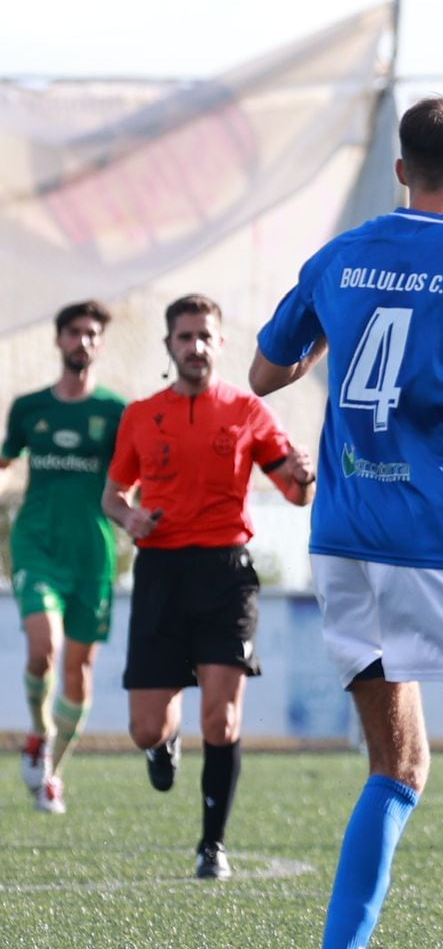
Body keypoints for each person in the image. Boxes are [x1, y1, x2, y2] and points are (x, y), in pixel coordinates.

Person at [251, 95, 443, 949]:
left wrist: (323, 340)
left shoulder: (340, 256)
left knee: (396, 766)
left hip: (343, 537)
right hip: (435, 540)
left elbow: (266, 371)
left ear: (399, 169)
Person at [100, 293, 314, 877]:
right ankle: (161, 746)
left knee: (220, 719)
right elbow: (113, 497)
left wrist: (303, 477)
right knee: (147, 724)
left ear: (220, 343)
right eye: (184, 336)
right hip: (162, 574)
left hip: (226, 574)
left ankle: (211, 846)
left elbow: (294, 492)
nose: (195, 346)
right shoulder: (142, 415)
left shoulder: (247, 411)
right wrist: (130, 517)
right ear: (170, 346)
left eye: (205, 336)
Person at [4, 299, 126, 814]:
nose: (83, 341)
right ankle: (38, 732)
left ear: (100, 343)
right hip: (36, 543)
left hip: (92, 554)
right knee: (43, 647)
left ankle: (51, 767)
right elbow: (5, 461)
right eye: (75, 332)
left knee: (77, 672)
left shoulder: (116, 412)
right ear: (58, 340)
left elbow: (130, 483)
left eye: (92, 334)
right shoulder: (29, 408)